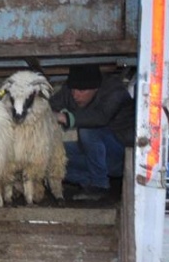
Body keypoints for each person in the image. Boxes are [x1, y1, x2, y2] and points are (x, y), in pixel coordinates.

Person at [49, 63, 135, 201]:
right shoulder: (71, 91)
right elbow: (49, 106)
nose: (76, 96)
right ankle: (93, 181)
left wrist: (65, 117)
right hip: (93, 155)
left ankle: (99, 185)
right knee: (52, 157)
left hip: (119, 154)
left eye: (82, 92)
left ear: (96, 88)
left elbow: (100, 117)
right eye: (73, 91)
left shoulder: (115, 91)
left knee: (88, 129)